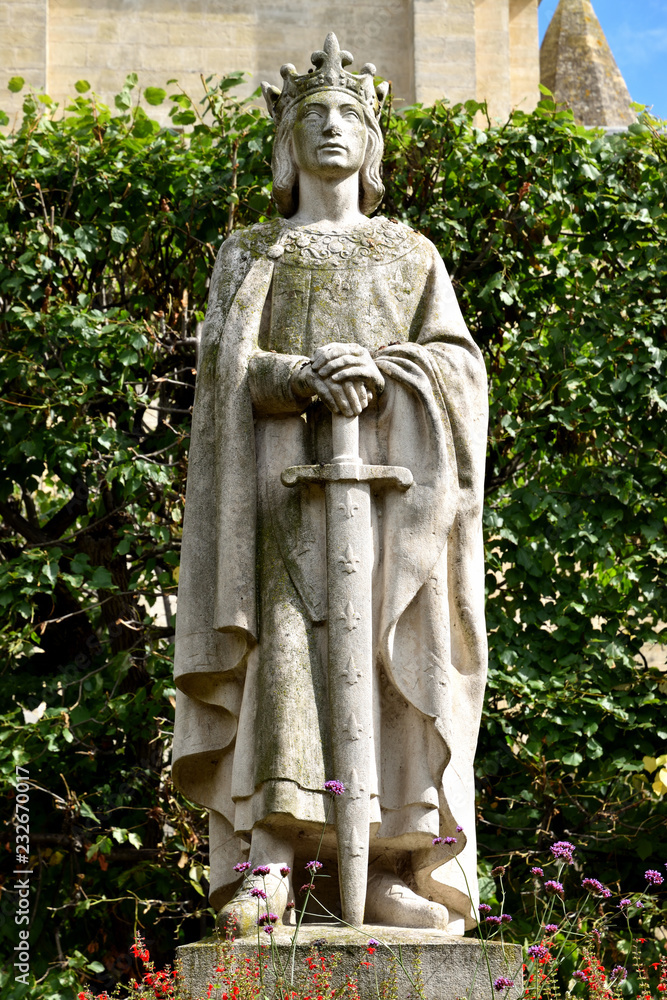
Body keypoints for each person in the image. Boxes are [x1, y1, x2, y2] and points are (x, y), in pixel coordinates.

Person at [172, 33, 488, 935]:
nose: (334, 128)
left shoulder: (411, 256)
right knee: (284, 659)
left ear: (373, 139)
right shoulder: (252, 252)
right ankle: (272, 855)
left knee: (394, 659)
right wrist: (301, 375)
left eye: (351, 114)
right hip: (278, 500)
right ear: (288, 142)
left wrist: (387, 371)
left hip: (395, 505)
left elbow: (458, 370)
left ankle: (389, 858)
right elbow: (228, 371)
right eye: (315, 116)